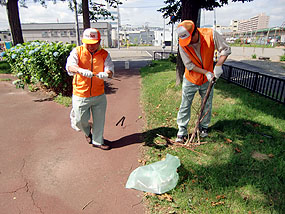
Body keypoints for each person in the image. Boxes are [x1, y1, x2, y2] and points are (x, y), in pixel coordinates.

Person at [175, 20, 231, 143]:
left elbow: (225, 49)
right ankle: (182, 130)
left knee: (207, 103)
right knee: (185, 104)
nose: (188, 44)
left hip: (208, 79)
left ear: (195, 32)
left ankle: (203, 127)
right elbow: (189, 65)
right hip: (191, 78)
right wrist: (205, 72)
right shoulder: (182, 42)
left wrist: (219, 65)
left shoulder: (211, 35)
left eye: (190, 40)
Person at [66, 28, 114, 150]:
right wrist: (80, 70)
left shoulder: (104, 54)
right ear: (84, 41)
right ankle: (87, 132)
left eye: (94, 44)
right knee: (80, 121)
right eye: (88, 43)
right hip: (81, 94)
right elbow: (70, 66)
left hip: (99, 94)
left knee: (99, 120)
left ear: (99, 42)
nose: (91, 47)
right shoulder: (77, 51)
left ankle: (98, 141)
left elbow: (110, 70)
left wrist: (106, 74)